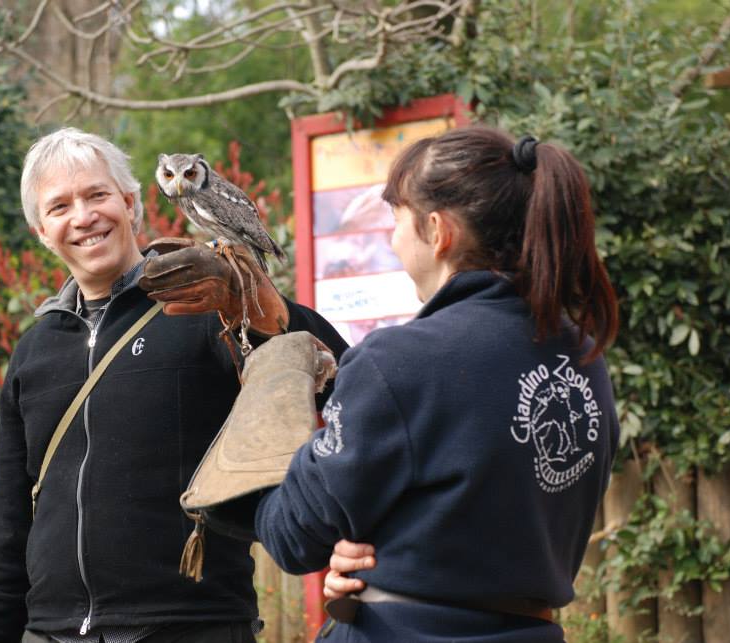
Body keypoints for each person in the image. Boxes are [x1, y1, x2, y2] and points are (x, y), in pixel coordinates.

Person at [0, 127, 347, 643]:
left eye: (97, 195)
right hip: (51, 633)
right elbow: (7, 528)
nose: (83, 216)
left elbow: (336, 385)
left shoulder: (205, 307)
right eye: (59, 207)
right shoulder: (34, 353)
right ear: (41, 232)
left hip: (191, 627)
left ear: (130, 203)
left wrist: (263, 313)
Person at [255, 126, 621, 642]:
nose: (392, 238)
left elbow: (289, 536)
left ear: (437, 230)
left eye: (396, 219)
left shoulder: (399, 361)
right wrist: (393, 560)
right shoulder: (584, 358)